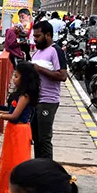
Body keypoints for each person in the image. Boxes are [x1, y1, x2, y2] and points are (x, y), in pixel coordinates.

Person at [0, 62, 40, 193]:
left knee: (16, 162)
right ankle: (6, 190)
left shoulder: (25, 96)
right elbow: (10, 111)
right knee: (9, 160)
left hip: (20, 131)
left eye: (16, 76)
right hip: (13, 130)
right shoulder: (19, 94)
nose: (14, 78)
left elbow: (15, 116)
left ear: (24, 78)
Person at [28, 21, 67, 160]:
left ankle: (47, 171)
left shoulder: (55, 51)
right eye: (34, 36)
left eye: (38, 36)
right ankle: (38, 167)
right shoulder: (37, 53)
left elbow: (63, 76)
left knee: (44, 139)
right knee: (36, 138)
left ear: (48, 35)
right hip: (35, 101)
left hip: (48, 101)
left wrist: (39, 69)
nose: (35, 39)